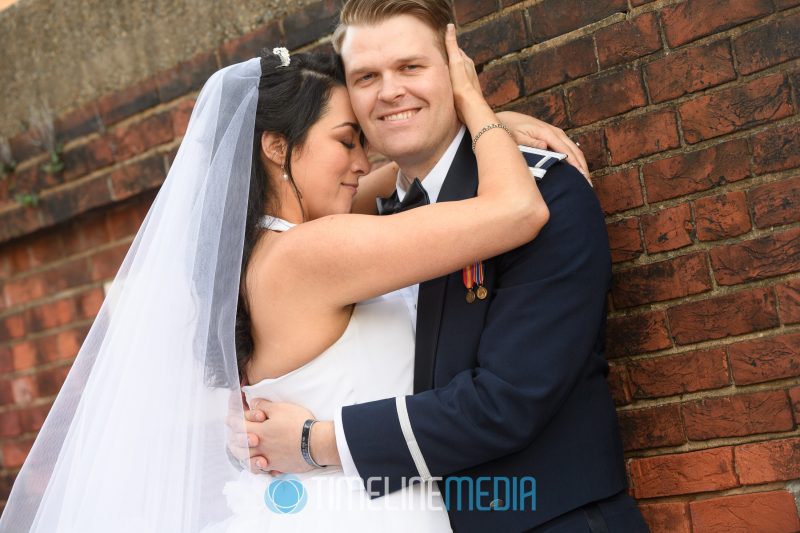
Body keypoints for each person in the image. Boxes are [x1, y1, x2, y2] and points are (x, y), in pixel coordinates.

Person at [0, 20, 562, 533]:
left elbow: (393, 176)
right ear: (277, 147)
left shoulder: (260, 254)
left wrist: (473, 138)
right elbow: (519, 211)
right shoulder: (312, 254)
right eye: (346, 141)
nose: (361, 162)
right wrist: (475, 107)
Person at [244, 1, 651, 532]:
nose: (390, 90)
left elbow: (506, 401)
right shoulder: (361, 217)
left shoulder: (547, 191)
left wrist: (314, 441)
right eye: (366, 76)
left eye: (411, 67)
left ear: (455, 70)